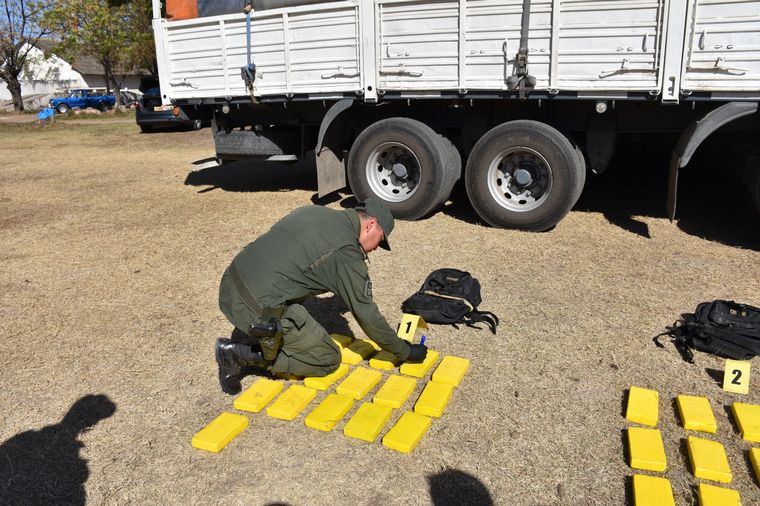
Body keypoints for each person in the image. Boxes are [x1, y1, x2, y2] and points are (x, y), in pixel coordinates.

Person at [215, 199, 428, 394]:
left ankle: (270, 331)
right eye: (379, 241)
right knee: (327, 359)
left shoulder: (315, 212)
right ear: (371, 225)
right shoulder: (347, 254)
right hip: (249, 306)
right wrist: (404, 352)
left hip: (231, 281)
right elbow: (367, 315)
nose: (374, 250)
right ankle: (240, 355)